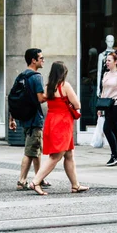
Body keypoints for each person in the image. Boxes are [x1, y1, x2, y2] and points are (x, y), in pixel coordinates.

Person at [29, 61, 89, 195]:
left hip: (51, 121)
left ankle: (75, 185)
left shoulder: (48, 87)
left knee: (69, 154)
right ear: (63, 73)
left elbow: (41, 100)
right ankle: (35, 181)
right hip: (63, 123)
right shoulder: (65, 86)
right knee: (56, 156)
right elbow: (77, 104)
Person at [9, 48, 48, 191]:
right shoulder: (36, 77)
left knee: (36, 149)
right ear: (34, 60)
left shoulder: (21, 76)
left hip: (24, 120)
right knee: (30, 152)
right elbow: (40, 99)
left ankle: (40, 177)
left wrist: (11, 119)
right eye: (41, 58)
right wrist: (51, 92)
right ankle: (21, 180)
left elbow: (13, 98)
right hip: (34, 120)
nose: (43, 60)